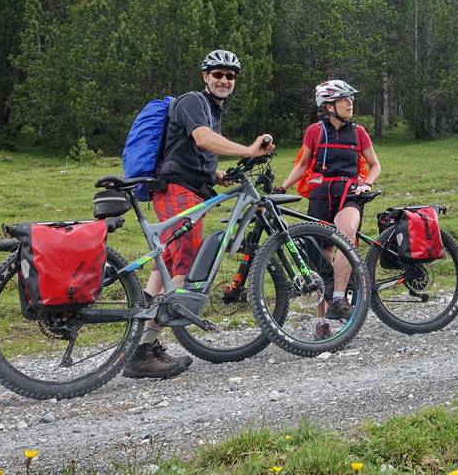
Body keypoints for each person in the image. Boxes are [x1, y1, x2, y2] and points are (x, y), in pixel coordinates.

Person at [123, 49, 276, 379]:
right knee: (186, 261)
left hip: (188, 188)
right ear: (205, 76)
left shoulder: (211, 109)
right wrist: (248, 150)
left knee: (167, 263)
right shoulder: (193, 101)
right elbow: (202, 139)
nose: (224, 80)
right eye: (217, 74)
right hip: (177, 189)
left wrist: (217, 175)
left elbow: (191, 150)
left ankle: (138, 337)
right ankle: (144, 351)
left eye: (230, 76)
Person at [279, 80, 381, 339]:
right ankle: (321, 322)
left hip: (350, 194)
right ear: (328, 106)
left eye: (351, 99)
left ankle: (338, 297)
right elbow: (303, 165)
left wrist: (366, 183)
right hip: (322, 195)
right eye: (344, 99)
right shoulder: (315, 131)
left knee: (346, 235)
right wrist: (284, 186)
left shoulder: (359, 133)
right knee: (316, 258)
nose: (350, 103)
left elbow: (375, 165)